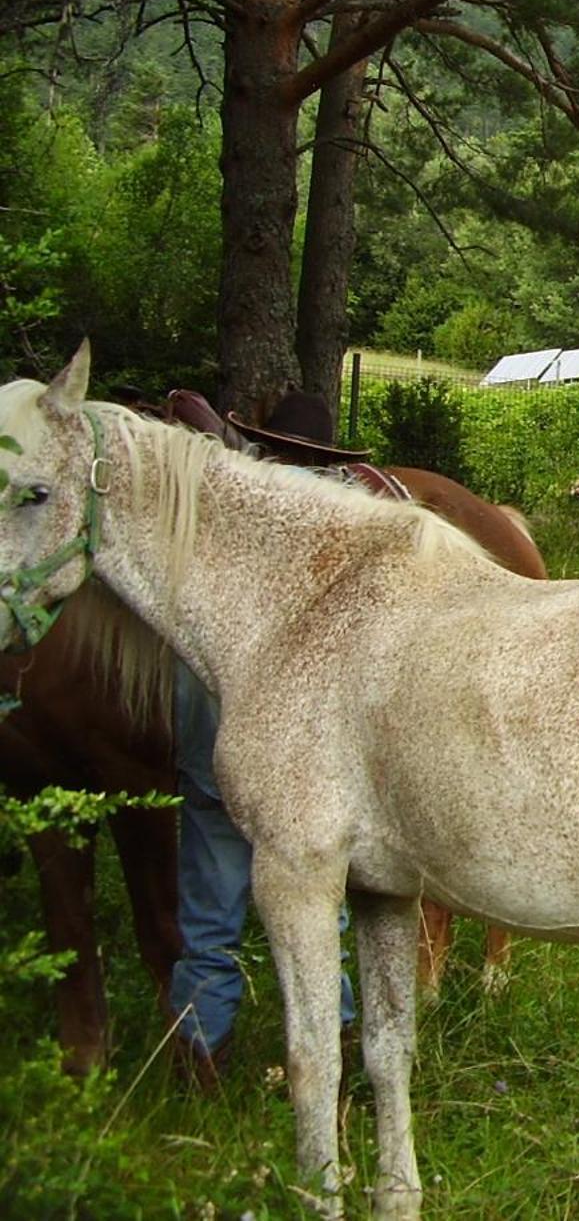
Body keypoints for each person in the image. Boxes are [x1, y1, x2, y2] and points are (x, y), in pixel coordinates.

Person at [168, 391, 363, 1084]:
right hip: (297, 750)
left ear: (264, 444)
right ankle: (332, 1046)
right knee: (320, 911)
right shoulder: (340, 515)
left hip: (211, 729)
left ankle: (199, 1052)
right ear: (326, 456)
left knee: (206, 911)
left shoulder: (219, 515)